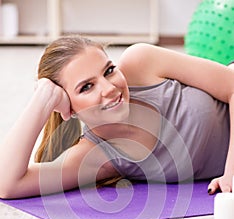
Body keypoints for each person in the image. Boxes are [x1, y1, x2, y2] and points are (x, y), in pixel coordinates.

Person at [0, 34, 233, 199]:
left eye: (109, 71)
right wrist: (41, 101)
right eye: (86, 87)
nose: (109, 88)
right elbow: (7, 185)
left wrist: (231, 173)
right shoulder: (96, 155)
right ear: (68, 107)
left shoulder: (140, 63)